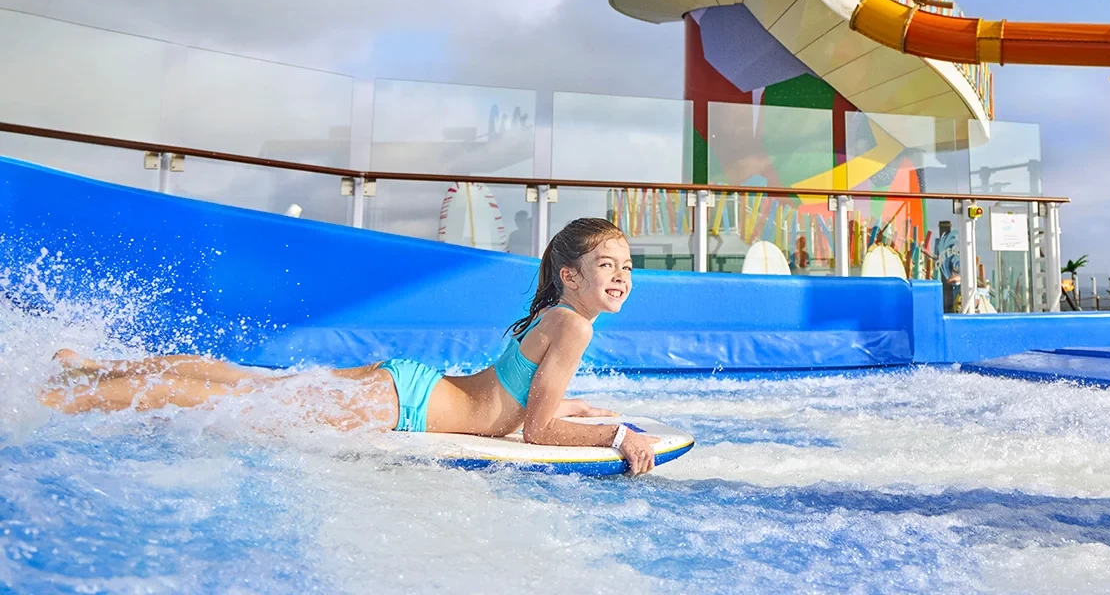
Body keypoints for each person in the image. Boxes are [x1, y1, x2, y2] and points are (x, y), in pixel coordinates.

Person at [42, 217, 658, 475]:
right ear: (571, 276)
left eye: (626, 267)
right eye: (607, 265)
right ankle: (52, 404)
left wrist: (572, 409)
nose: (621, 277)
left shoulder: (556, 315)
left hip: (411, 383)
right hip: (407, 407)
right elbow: (537, 432)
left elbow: (521, 399)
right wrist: (616, 435)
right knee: (236, 403)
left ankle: (89, 368)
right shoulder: (575, 325)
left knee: (246, 382)